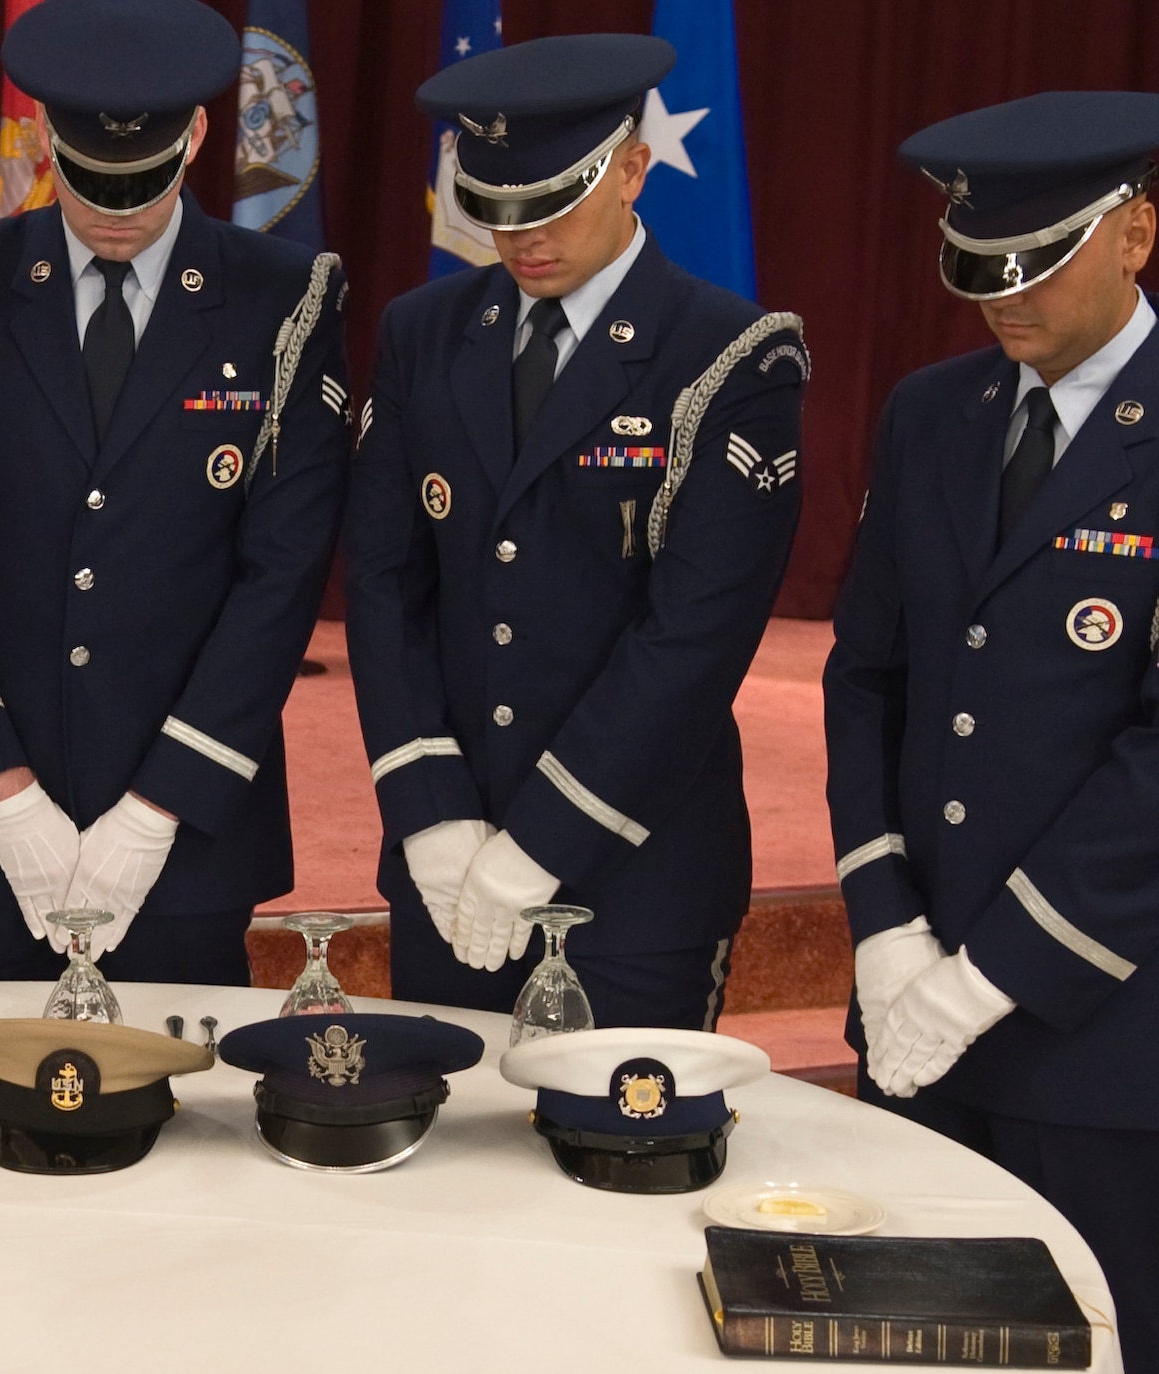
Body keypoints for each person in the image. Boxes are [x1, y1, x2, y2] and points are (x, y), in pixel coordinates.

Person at [0, 0, 351, 984]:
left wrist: (157, 806)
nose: (116, 212)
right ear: (46, 137)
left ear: (199, 135)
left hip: (189, 835)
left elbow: (282, 571)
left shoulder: (284, 296)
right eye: (90, 181)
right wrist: (0, 792)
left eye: (144, 181)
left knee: (184, 1116)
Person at [344, 34, 808, 1025]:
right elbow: (384, 583)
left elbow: (691, 638)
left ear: (631, 167)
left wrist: (538, 844)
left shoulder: (729, 354)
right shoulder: (420, 332)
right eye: (496, 209)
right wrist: (427, 812)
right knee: (449, 1162)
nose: (523, 239)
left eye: (550, 204)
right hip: (448, 863)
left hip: (633, 873)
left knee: (623, 1163)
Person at [824, 92, 1159, 1367]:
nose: (999, 302)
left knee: (1092, 1340)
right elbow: (868, 679)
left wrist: (989, 976)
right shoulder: (931, 412)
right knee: (906, 1336)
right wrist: (883, 925)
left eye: (1036, 265)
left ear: (1133, 234)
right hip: (913, 1006)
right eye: (976, 270)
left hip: (1096, 1032)